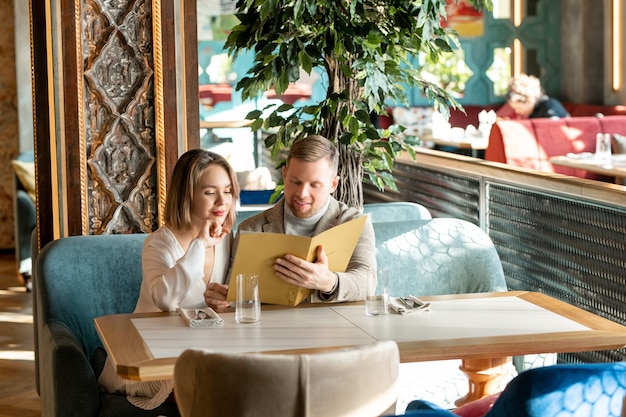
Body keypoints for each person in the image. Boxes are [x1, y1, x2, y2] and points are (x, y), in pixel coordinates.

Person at [98, 149, 240, 410]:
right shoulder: (159, 244)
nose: (222, 201)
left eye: (228, 191)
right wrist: (199, 244)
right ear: (187, 194)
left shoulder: (228, 239)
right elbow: (165, 300)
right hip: (151, 362)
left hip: (200, 353)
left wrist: (224, 300)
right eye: (210, 192)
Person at [235, 134, 376, 303]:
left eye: (314, 185)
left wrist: (329, 282)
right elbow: (236, 294)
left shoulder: (353, 223)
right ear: (285, 175)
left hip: (335, 326)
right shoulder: (250, 229)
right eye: (295, 181)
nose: (302, 194)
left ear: (333, 185)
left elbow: (368, 282)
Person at [505, 73, 570, 119]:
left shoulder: (549, 105)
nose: (517, 111)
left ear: (529, 100)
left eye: (518, 108)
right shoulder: (533, 113)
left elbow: (555, 126)